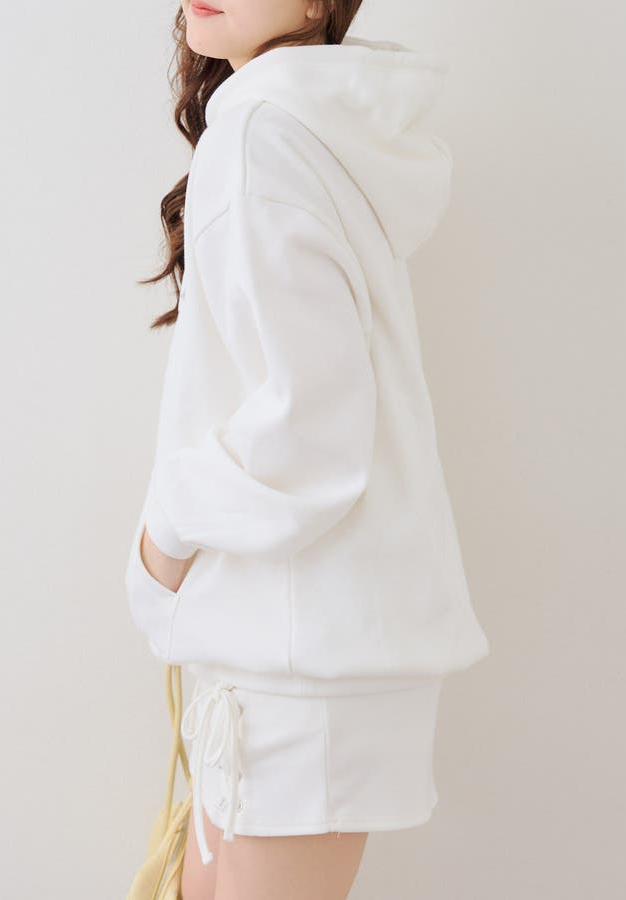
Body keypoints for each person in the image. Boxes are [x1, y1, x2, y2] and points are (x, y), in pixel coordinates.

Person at [124, 1, 491, 897]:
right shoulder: (301, 127)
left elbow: (310, 424)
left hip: (294, 667)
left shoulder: (259, 136)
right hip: (296, 646)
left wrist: (163, 540)